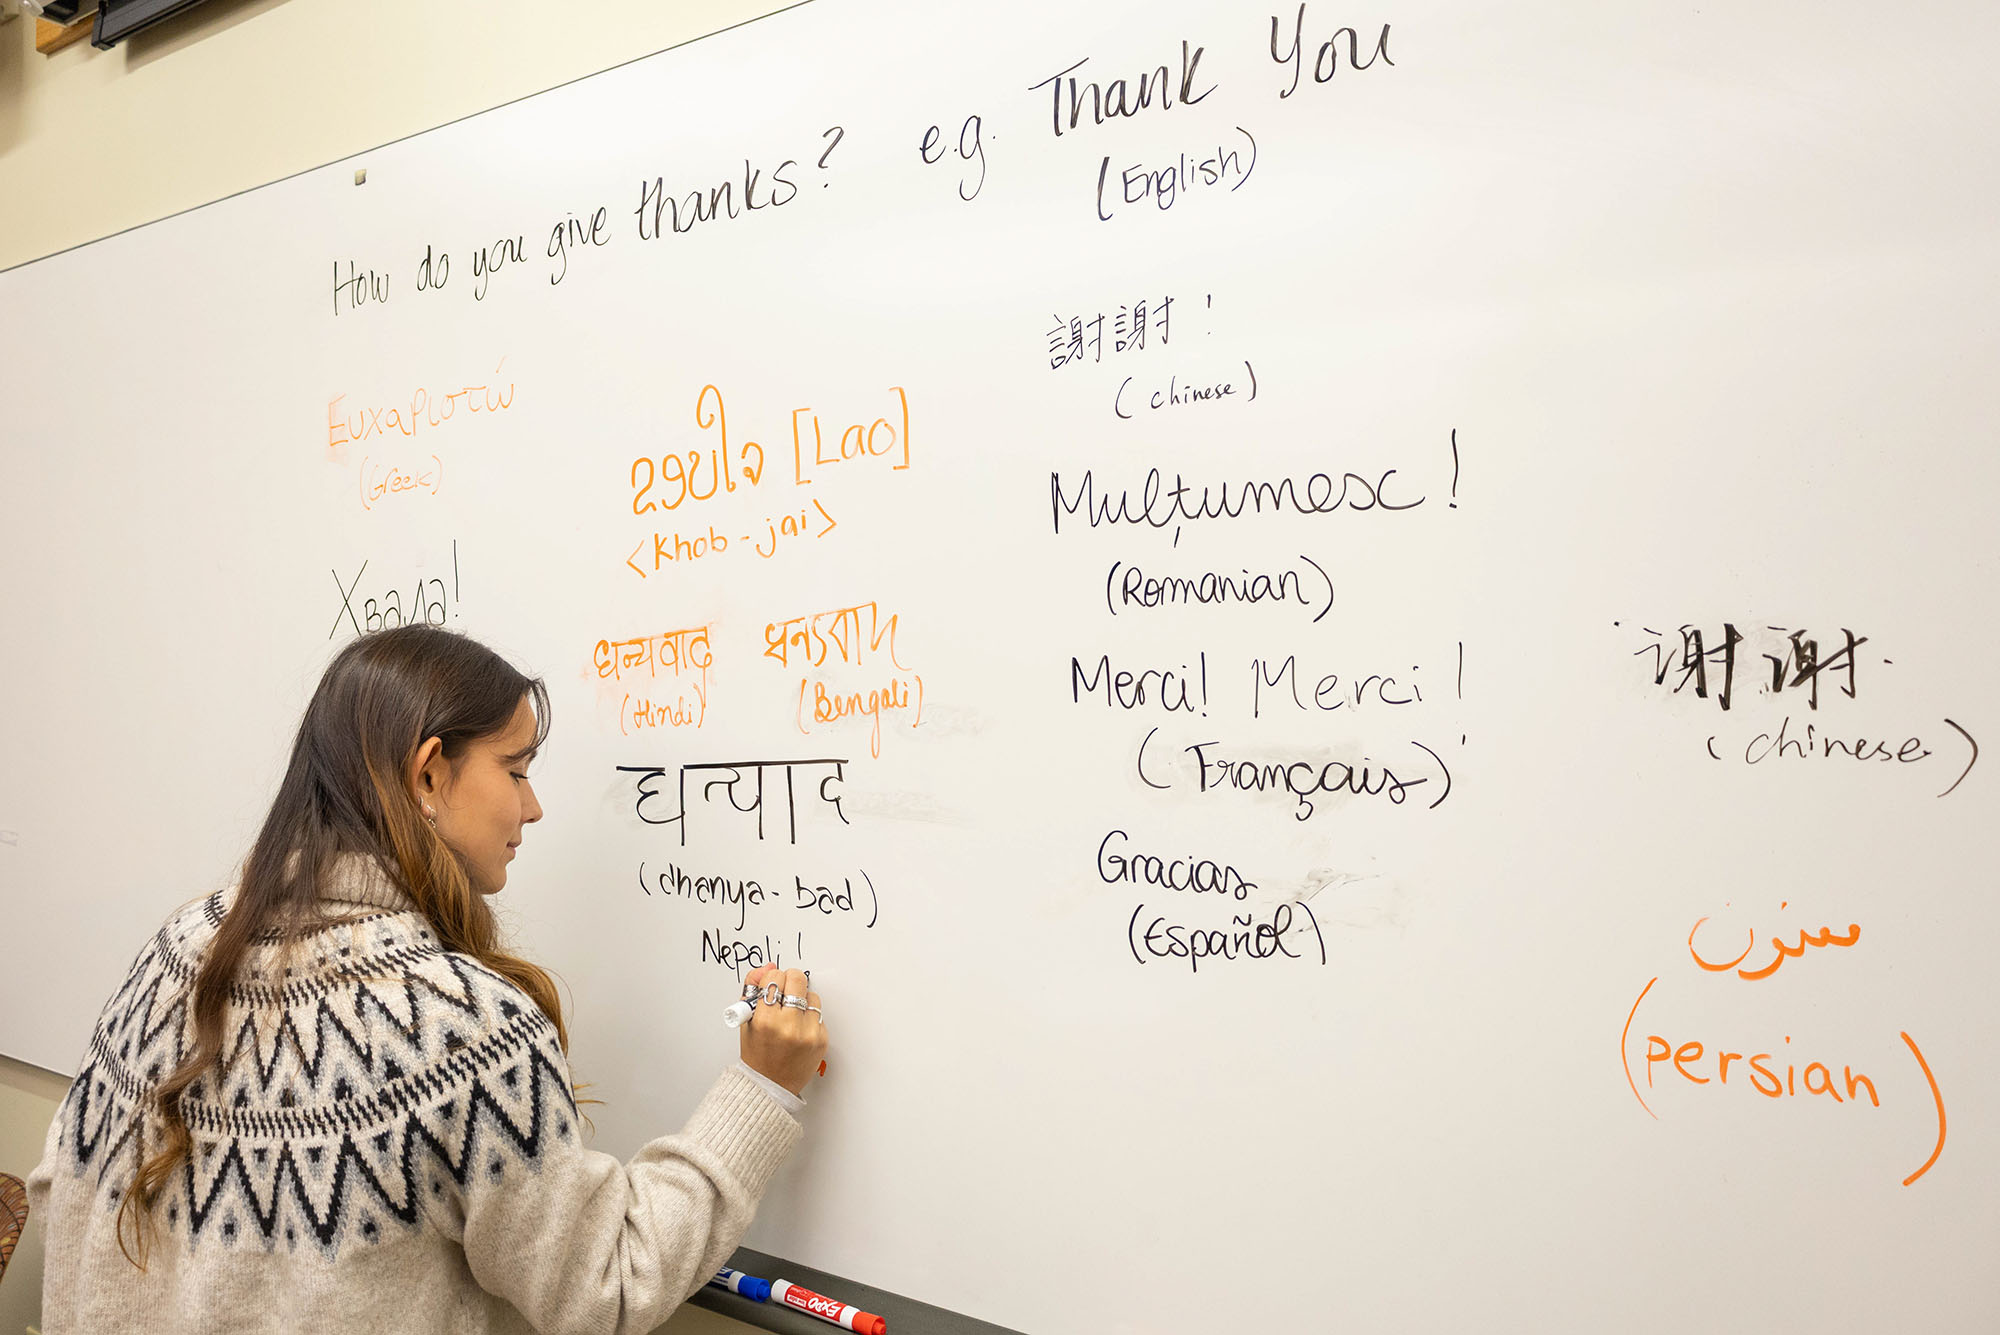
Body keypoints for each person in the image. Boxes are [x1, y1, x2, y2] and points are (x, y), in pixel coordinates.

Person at [28, 624, 827, 1333]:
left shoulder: (176, 950)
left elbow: (59, 1188)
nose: (535, 805)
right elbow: (609, 1284)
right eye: (515, 769)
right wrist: (761, 1093)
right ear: (428, 775)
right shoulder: (456, 1026)